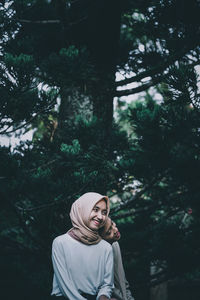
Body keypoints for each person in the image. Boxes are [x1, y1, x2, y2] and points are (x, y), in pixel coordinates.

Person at [51, 192, 114, 300]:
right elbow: (65, 286)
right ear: (82, 209)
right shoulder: (60, 243)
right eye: (95, 209)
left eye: (104, 212)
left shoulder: (106, 248)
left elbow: (107, 285)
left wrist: (103, 296)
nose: (100, 217)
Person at [99, 217, 135, 300]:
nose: (115, 230)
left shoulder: (115, 244)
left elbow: (122, 281)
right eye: (109, 232)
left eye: (112, 224)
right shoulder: (98, 256)